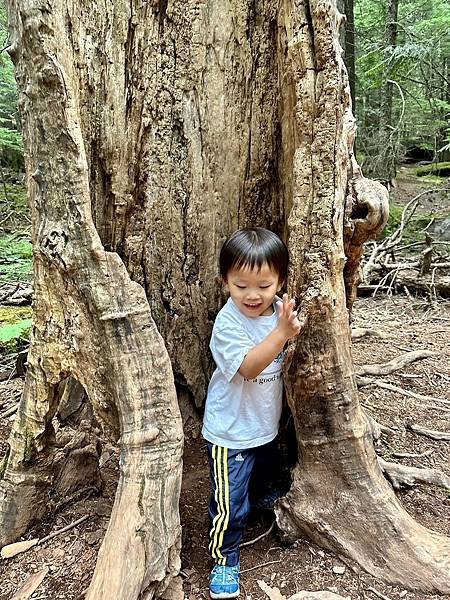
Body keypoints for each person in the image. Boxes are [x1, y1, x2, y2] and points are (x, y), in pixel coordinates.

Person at [202, 227, 302, 599]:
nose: (252, 295)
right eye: (241, 285)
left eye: (264, 285)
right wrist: (281, 334)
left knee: (261, 481)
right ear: (225, 281)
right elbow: (248, 367)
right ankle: (225, 557)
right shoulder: (228, 323)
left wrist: (287, 328)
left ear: (281, 281)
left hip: (264, 425)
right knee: (229, 503)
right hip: (231, 432)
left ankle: (260, 501)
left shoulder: (280, 312)